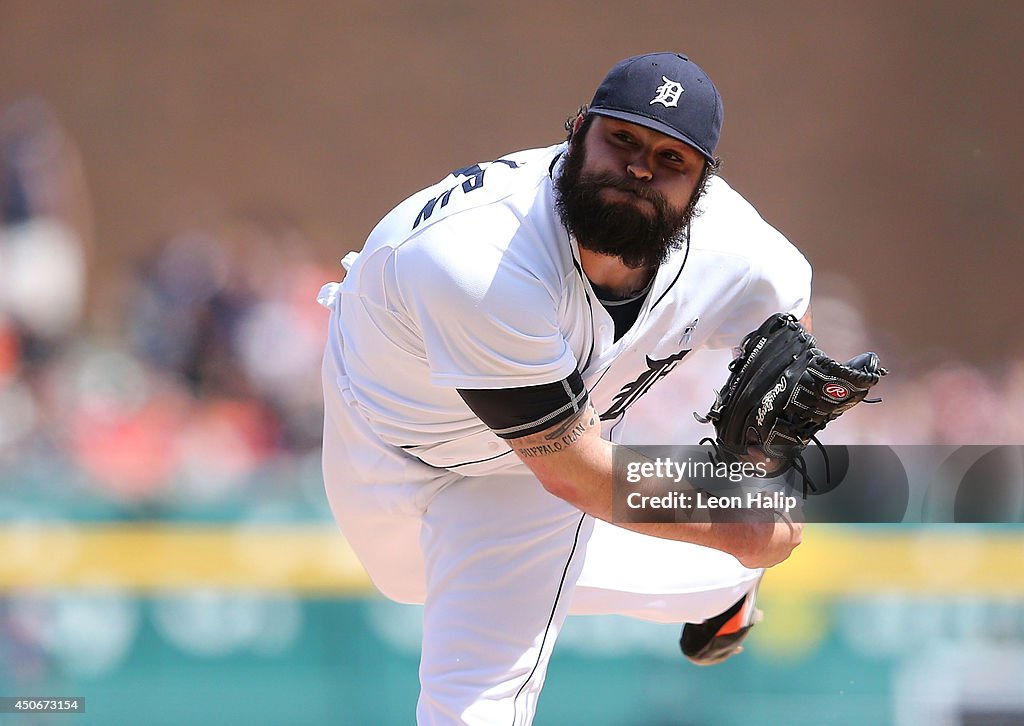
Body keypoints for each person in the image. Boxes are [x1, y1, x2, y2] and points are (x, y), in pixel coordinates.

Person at [319, 52, 810, 724]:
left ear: (701, 188)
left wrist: (757, 470)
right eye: (623, 140)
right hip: (385, 434)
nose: (640, 168)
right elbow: (578, 474)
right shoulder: (480, 259)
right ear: (577, 132)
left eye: (672, 160)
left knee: (477, 701)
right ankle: (719, 583)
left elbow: (792, 315)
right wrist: (732, 520)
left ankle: (719, 578)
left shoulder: (736, 247)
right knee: (404, 581)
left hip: (529, 469)